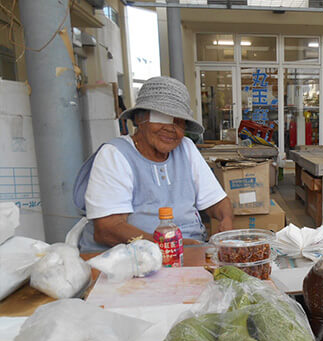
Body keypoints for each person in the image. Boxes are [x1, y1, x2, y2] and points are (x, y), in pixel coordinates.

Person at [75, 76, 233, 252]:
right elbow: (107, 229)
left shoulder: (186, 148)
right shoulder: (115, 154)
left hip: (187, 250)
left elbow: (217, 201)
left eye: (179, 122)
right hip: (130, 257)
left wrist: (226, 220)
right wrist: (166, 246)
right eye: (162, 118)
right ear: (139, 119)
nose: (171, 128)